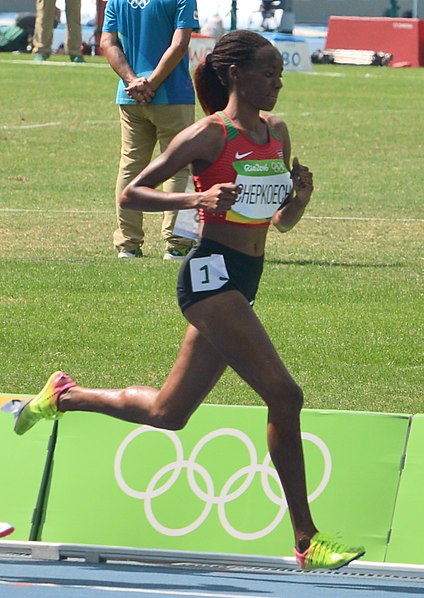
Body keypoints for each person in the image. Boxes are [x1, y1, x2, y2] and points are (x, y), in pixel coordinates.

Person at [13, 30, 365, 571]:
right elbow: (132, 192)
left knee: (168, 413)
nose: (277, 81)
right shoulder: (208, 135)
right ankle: (306, 541)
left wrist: (299, 200)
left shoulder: (277, 132)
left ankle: (63, 396)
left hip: (245, 278)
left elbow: (277, 224)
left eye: (280, 73)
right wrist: (195, 196)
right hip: (210, 278)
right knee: (284, 395)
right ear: (235, 75)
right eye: (268, 71)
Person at [100, 0, 199, 261]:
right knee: (181, 167)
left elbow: (107, 43)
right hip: (172, 93)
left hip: (130, 95)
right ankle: (177, 244)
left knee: (130, 166)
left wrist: (133, 81)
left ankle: (127, 245)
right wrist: (152, 82)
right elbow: (179, 44)